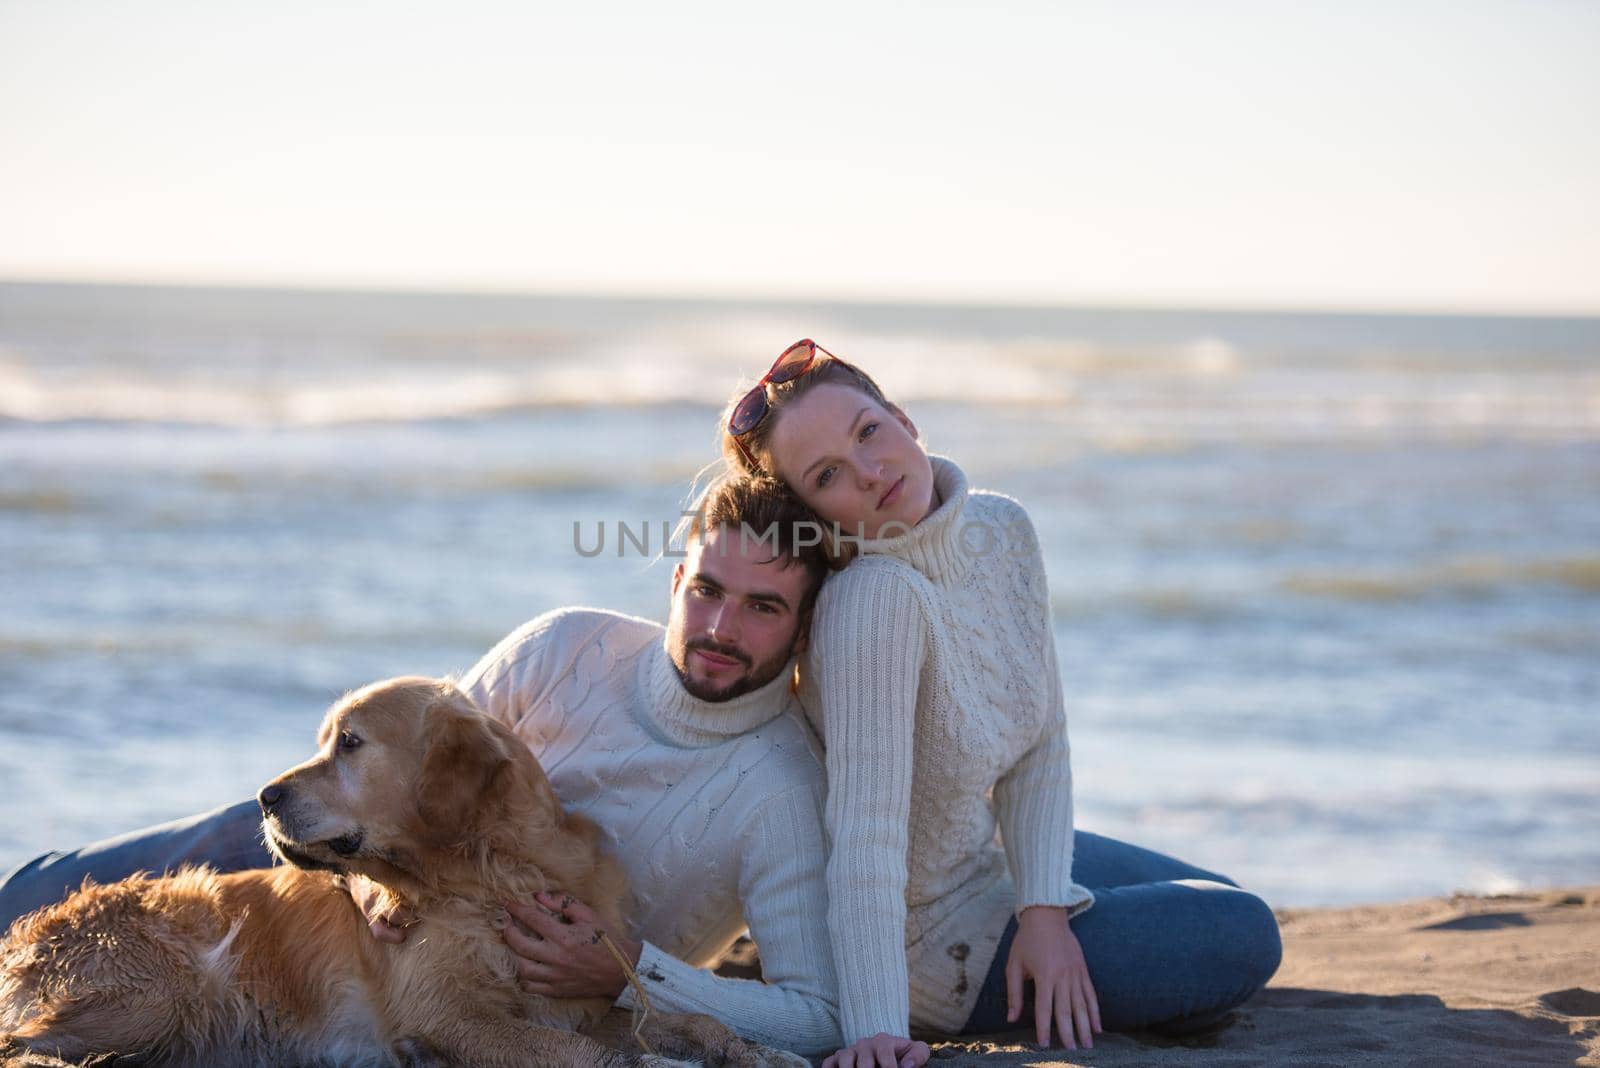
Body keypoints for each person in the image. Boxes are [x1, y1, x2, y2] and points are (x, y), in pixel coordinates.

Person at [0, 475, 844, 1056]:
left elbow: (815, 1015)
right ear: (674, 584)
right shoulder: (567, 645)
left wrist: (632, 975)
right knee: (36, 899)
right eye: (707, 590)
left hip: (407, 901)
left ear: (803, 631)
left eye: (763, 606)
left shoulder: (783, 792)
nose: (721, 627)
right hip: (334, 860)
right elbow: (409, 748)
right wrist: (364, 876)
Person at [721, 339, 1283, 1068]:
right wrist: (877, 1030)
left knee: (1218, 894)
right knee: (1241, 933)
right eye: (829, 474)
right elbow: (865, 834)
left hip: (984, 863)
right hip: (928, 939)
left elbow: (1041, 738)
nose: (868, 471)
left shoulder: (1001, 529)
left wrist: (1045, 913)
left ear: (903, 418)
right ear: (813, 511)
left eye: (868, 432)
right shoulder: (875, 601)